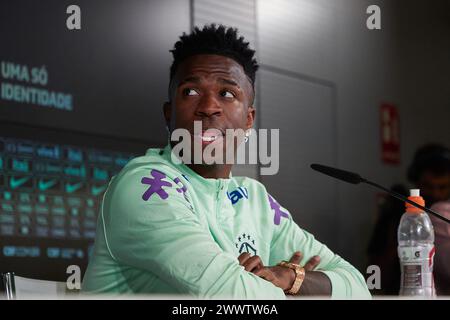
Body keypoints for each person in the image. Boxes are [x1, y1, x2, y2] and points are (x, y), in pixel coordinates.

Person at [82, 24, 370, 299]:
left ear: (248, 120)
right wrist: (304, 291)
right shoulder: (144, 184)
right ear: (168, 114)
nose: (208, 107)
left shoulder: (253, 198)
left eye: (227, 93)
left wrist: (290, 278)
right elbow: (237, 297)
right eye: (190, 92)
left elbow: (357, 287)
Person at [367, 144, 450, 295]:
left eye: (443, 187)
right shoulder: (397, 213)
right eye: (429, 186)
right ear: (416, 181)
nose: (436, 194)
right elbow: (373, 272)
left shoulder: (446, 214)